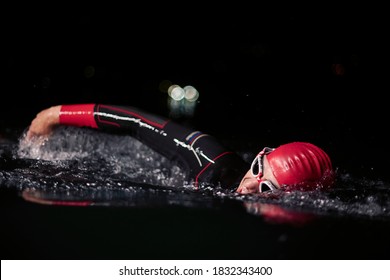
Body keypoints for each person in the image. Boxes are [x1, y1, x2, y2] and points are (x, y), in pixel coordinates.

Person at [25, 104, 335, 194]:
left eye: (267, 188)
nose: (251, 184)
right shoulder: (212, 162)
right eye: (257, 169)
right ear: (258, 156)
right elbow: (136, 122)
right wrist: (56, 114)